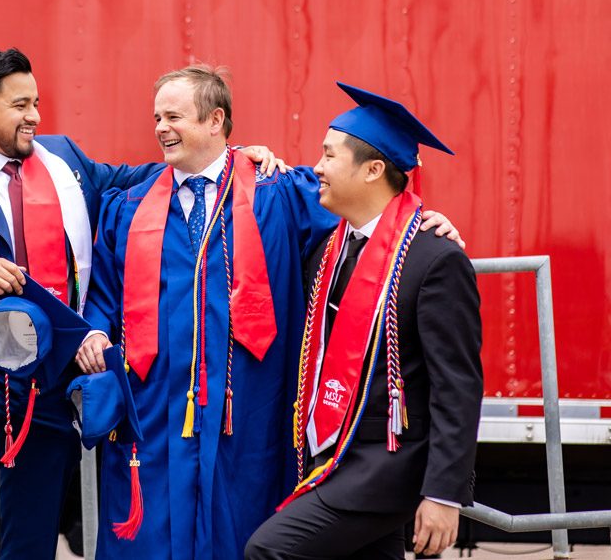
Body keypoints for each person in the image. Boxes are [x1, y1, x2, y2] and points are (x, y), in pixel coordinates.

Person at [75, 67, 462, 560]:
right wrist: (93, 334)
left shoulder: (279, 192)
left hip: (248, 410)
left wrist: (425, 221)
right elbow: (104, 300)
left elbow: (373, 217)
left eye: (173, 116)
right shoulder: (128, 206)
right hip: (153, 411)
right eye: (157, 117)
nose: (160, 128)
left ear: (215, 120)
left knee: (245, 534)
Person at [0, 47, 281, 559]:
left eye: (36, 102)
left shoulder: (64, 160)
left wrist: (233, 159)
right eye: (21, 106)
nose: (35, 116)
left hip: (49, 370)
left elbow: (146, 179)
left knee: (33, 515)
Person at [244, 83, 483, 560]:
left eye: (329, 156)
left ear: (373, 170)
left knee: (268, 550)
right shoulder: (326, 252)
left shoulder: (432, 259)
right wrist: (243, 160)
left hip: (385, 467)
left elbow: (457, 387)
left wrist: (443, 494)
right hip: (328, 456)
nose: (317, 168)